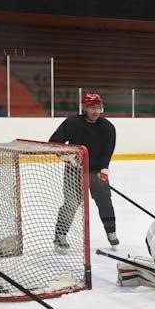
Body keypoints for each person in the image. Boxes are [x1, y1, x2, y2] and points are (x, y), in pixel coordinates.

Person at [50, 90, 119, 248]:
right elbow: (54, 143)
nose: (95, 111)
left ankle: (111, 231)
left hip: (96, 171)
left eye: (97, 107)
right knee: (71, 203)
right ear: (84, 108)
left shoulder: (108, 127)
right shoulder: (72, 123)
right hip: (74, 171)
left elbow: (107, 150)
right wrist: (68, 157)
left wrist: (104, 169)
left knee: (105, 201)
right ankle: (60, 235)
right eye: (91, 107)